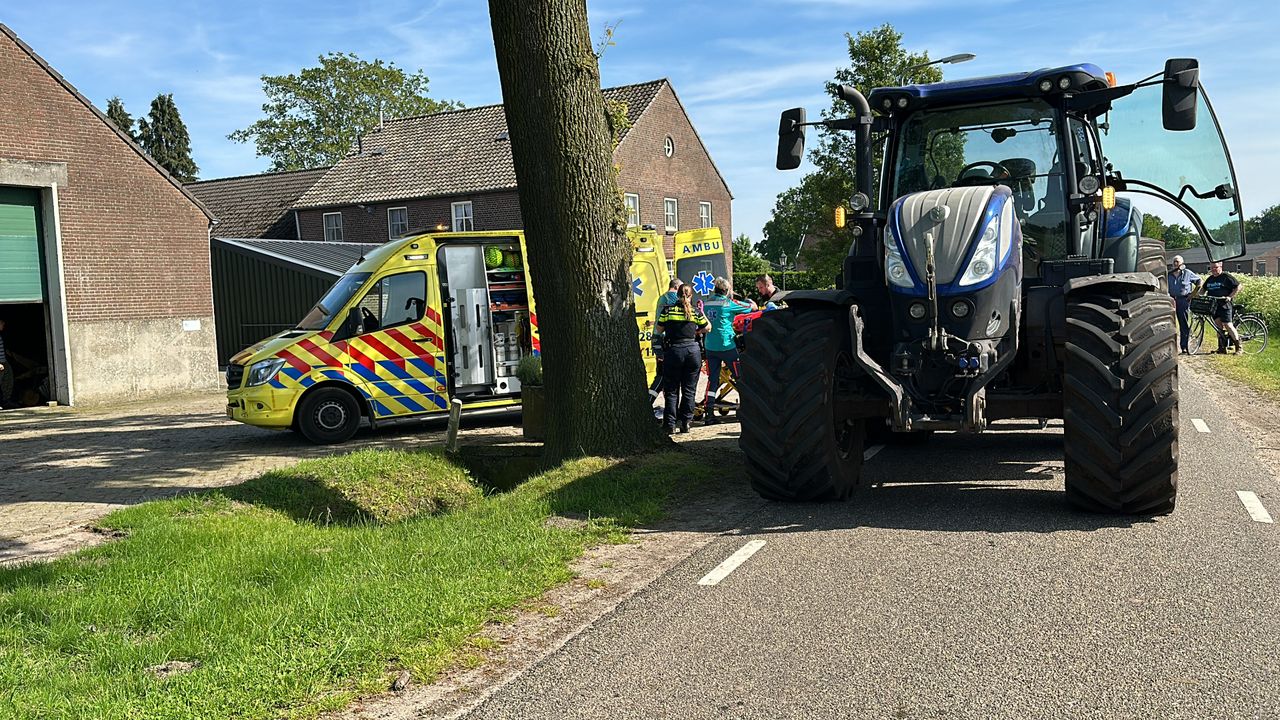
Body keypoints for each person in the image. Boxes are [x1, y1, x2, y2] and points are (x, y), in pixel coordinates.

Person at [654, 284, 708, 433]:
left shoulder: (668, 310)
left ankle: (670, 424)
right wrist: (697, 332)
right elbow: (708, 326)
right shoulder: (695, 311)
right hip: (693, 352)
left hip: (674, 351)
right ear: (690, 296)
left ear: (677, 295)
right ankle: (686, 423)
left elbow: (659, 330)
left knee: (671, 390)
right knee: (689, 390)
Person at [702, 278, 756, 424]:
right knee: (740, 377)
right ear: (726, 291)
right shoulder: (728, 303)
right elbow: (752, 308)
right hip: (727, 346)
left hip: (710, 346)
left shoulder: (706, 303)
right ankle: (748, 409)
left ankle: (709, 413)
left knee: (712, 380)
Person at [1194, 261, 1242, 354]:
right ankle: (1221, 348)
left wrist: (1230, 296)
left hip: (1224, 305)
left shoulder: (1226, 277)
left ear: (1221, 267)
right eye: (1211, 268)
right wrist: (1199, 295)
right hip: (1214, 306)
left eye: (1215, 267)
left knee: (1228, 325)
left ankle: (1239, 347)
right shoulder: (1210, 279)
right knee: (1218, 326)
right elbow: (1203, 289)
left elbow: (1239, 286)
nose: (1213, 270)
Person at [648, 279, 682, 402]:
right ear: (677, 287)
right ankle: (649, 402)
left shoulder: (662, 297)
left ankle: (667, 404)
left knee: (663, 375)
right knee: (663, 376)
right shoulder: (672, 298)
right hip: (664, 340)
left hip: (657, 339)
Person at [1168, 255, 1201, 354]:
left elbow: (1199, 282)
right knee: (1169, 324)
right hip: (1171, 300)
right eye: (1174, 262)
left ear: (1182, 263)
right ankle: (1169, 348)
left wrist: (1192, 294)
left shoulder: (1187, 273)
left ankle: (1184, 346)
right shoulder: (1168, 274)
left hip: (1183, 300)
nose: (1175, 264)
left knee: (1183, 324)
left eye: (1177, 262)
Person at [0, 317, 13, 409]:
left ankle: (5, 401)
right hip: (0, 363)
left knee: (8, 380)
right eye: (1, 322)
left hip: (4, 362)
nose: (3, 324)